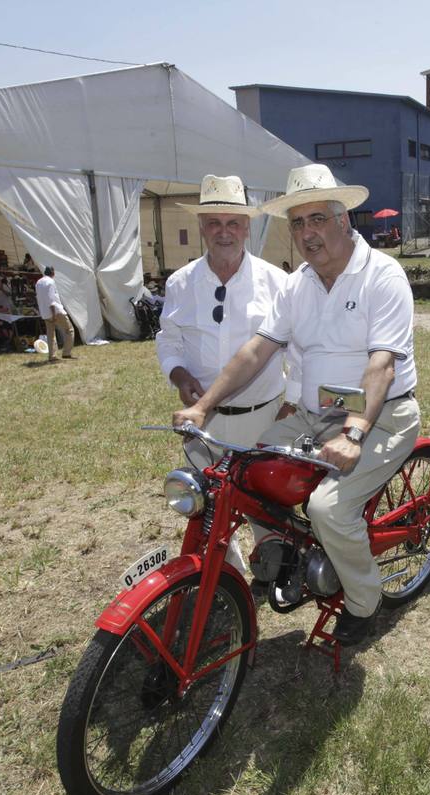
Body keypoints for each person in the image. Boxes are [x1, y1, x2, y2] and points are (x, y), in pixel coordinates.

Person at [174, 163, 420, 646]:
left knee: (328, 508)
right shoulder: (298, 283)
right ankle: (289, 553)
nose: (308, 233)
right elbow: (256, 351)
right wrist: (203, 405)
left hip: (380, 416)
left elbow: (382, 363)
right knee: (241, 473)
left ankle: (364, 601)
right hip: (315, 414)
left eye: (318, 220)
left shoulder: (383, 275)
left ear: (343, 220)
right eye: (298, 223)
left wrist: (353, 434)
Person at [155, 174, 291, 572]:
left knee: (267, 506)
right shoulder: (181, 282)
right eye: (214, 223)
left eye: (233, 223)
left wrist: (294, 402)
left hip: (261, 418)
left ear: (247, 226)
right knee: (208, 507)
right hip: (204, 425)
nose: (224, 232)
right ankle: (224, 575)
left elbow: (298, 350)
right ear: (201, 226)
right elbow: (169, 340)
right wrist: (179, 376)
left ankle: (274, 565)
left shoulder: (276, 282)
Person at [35, 265, 75, 361]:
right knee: (69, 330)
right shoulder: (51, 282)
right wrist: (53, 314)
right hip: (55, 311)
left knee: (51, 334)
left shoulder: (38, 282)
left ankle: (52, 355)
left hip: (44, 312)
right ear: (53, 273)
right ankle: (66, 352)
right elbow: (51, 299)